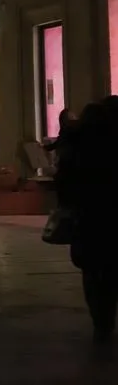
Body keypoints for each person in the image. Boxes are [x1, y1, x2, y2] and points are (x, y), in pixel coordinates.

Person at [55, 101, 118, 343]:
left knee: (92, 272)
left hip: (88, 219)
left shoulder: (78, 145)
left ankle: (102, 322)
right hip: (111, 217)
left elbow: (64, 183)